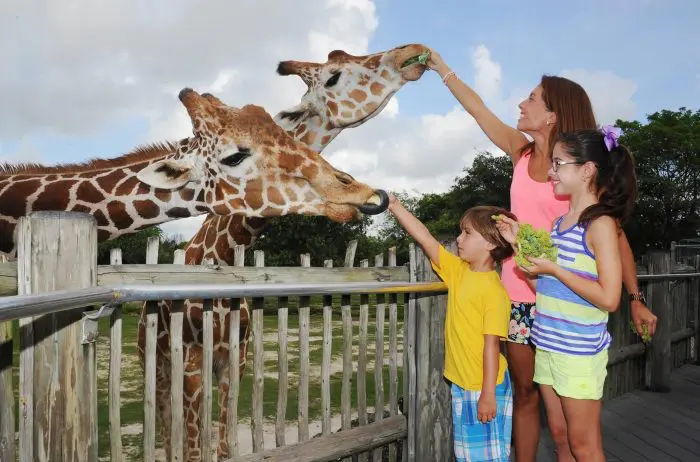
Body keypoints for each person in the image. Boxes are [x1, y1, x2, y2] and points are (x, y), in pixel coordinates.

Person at [425, 49, 657, 461]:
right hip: (517, 296)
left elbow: (615, 240)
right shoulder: (521, 152)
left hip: (563, 303)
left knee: (570, 423)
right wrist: (442, 69)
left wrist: (636, 298)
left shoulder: (580, 170)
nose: (520, 103)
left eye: (531, 98)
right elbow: (478, 110)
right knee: (526, 394)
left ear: (552, 115)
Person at [495, 127, 637, 461]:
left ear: (587, 170)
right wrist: (517, 246)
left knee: (584, 447)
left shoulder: (600, 224)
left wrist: (557, 269)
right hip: (547, 345)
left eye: (559, 164)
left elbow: (609, 298)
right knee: (561, 437)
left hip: (578, 354)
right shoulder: (559, 224)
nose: (550, 171)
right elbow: (544, 290)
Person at [387, 195, 515, 462]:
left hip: (483, 386)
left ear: (491, 243)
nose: (459, 238)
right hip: (464, 383)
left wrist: (488, 394)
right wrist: (396, 206)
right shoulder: (459, 271)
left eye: (467, 233)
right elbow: (426, 239)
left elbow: (493, 346)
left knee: (487, 457)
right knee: (468, 455)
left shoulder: (494, 292)